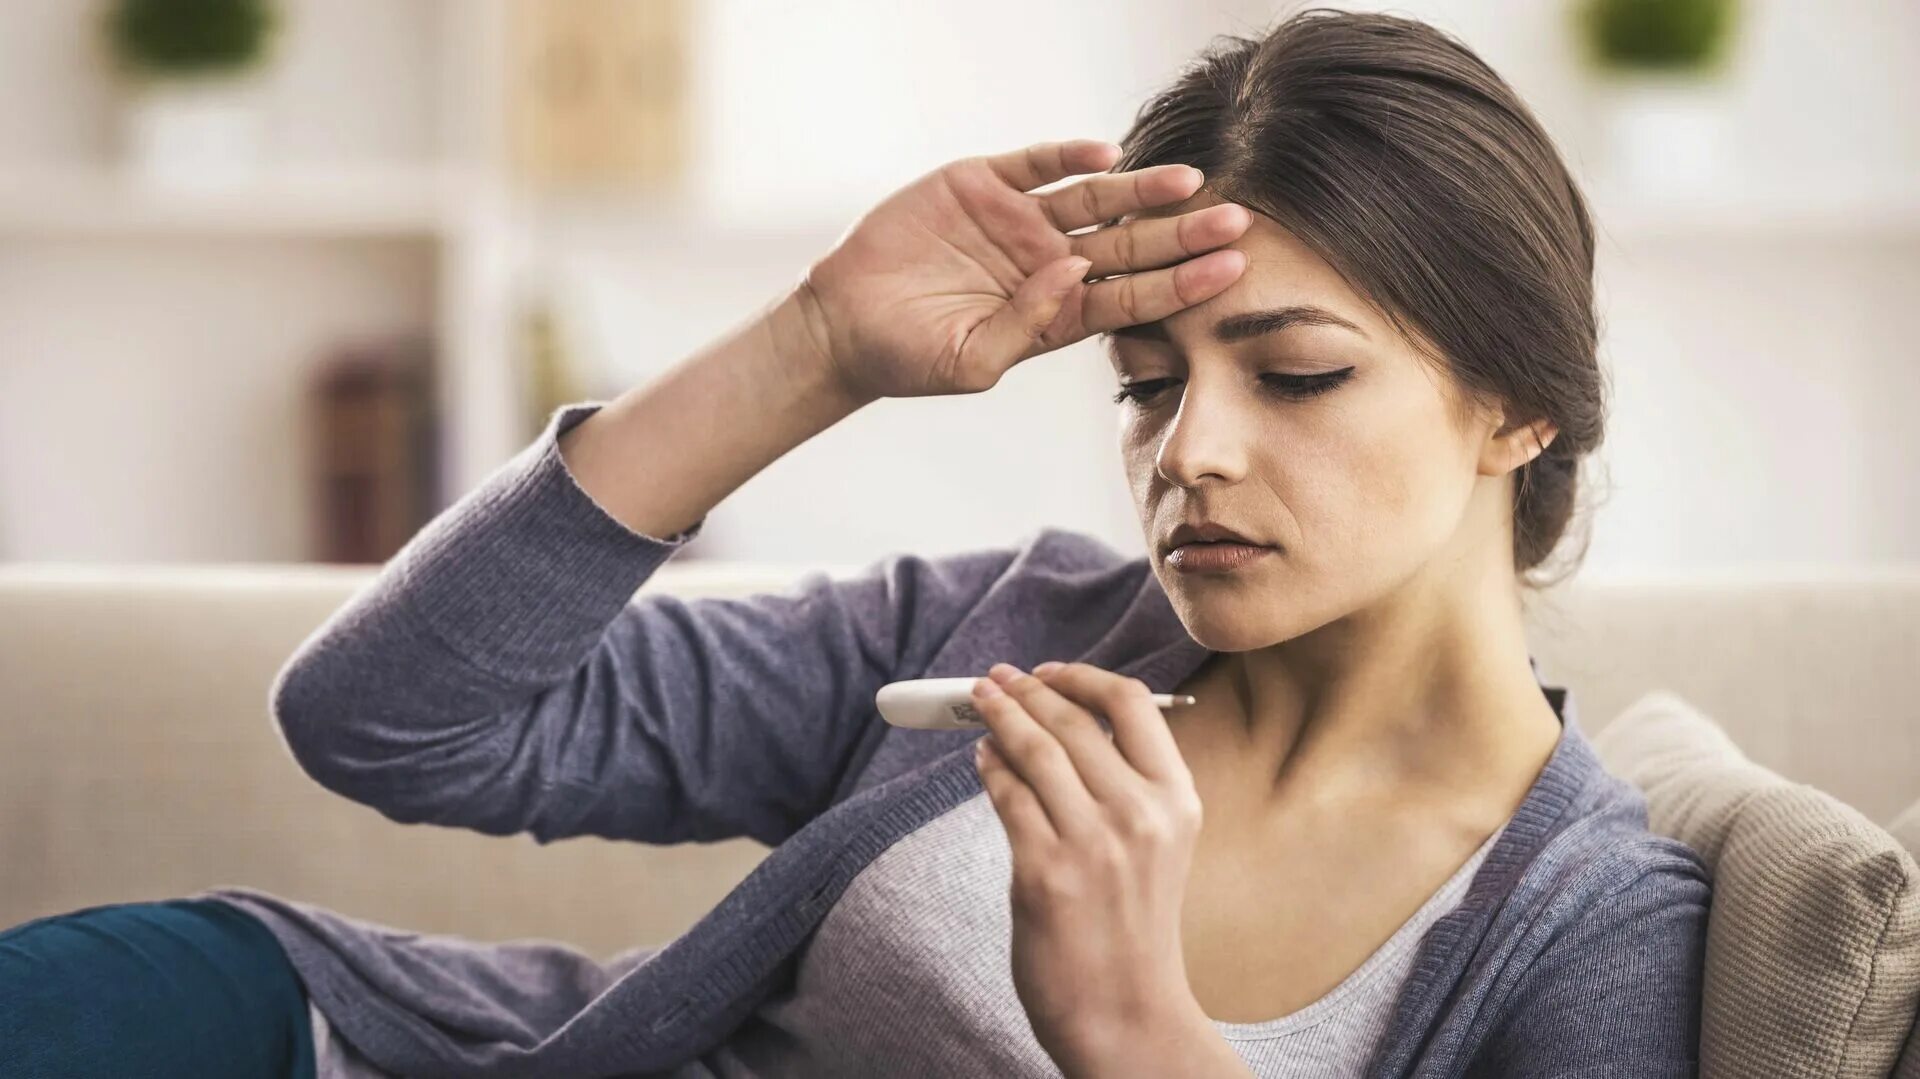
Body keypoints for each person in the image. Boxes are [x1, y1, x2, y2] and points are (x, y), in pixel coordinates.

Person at [0, 8, 1710, 1077]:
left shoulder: (1592, 923)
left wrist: (1136, 1030)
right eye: (1141, 384)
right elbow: (387, 715)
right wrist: (813, 347)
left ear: (1516, 406)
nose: (1191, 450)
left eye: (1299, 375)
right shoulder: (1015, 634)